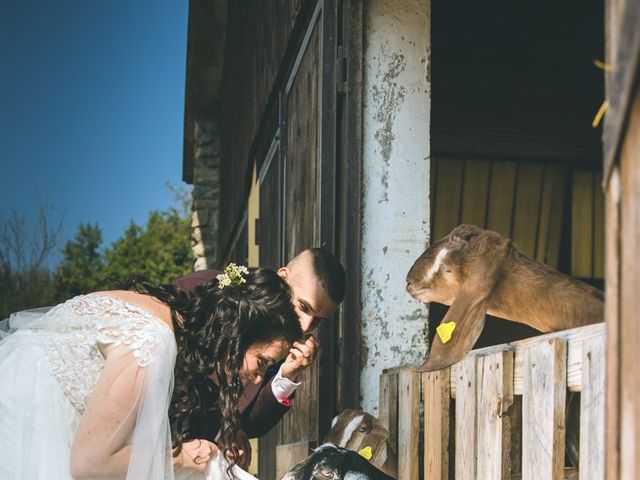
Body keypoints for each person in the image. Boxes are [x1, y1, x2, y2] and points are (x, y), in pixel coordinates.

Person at [0, 265, 302, 479]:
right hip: (33, 414)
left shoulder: (171, 320)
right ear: (236, 334)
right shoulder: (152, 341)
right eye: (261, 361)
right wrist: (183, 457)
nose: (259, 377)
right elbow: (91, 463)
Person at [172, 248, 346, 463]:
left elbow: (248, 423)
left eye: (317, 320)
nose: (305, 325)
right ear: (283, 277)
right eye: (303, 306)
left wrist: (288, 374)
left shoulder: (284, 343)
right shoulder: (204, 292)